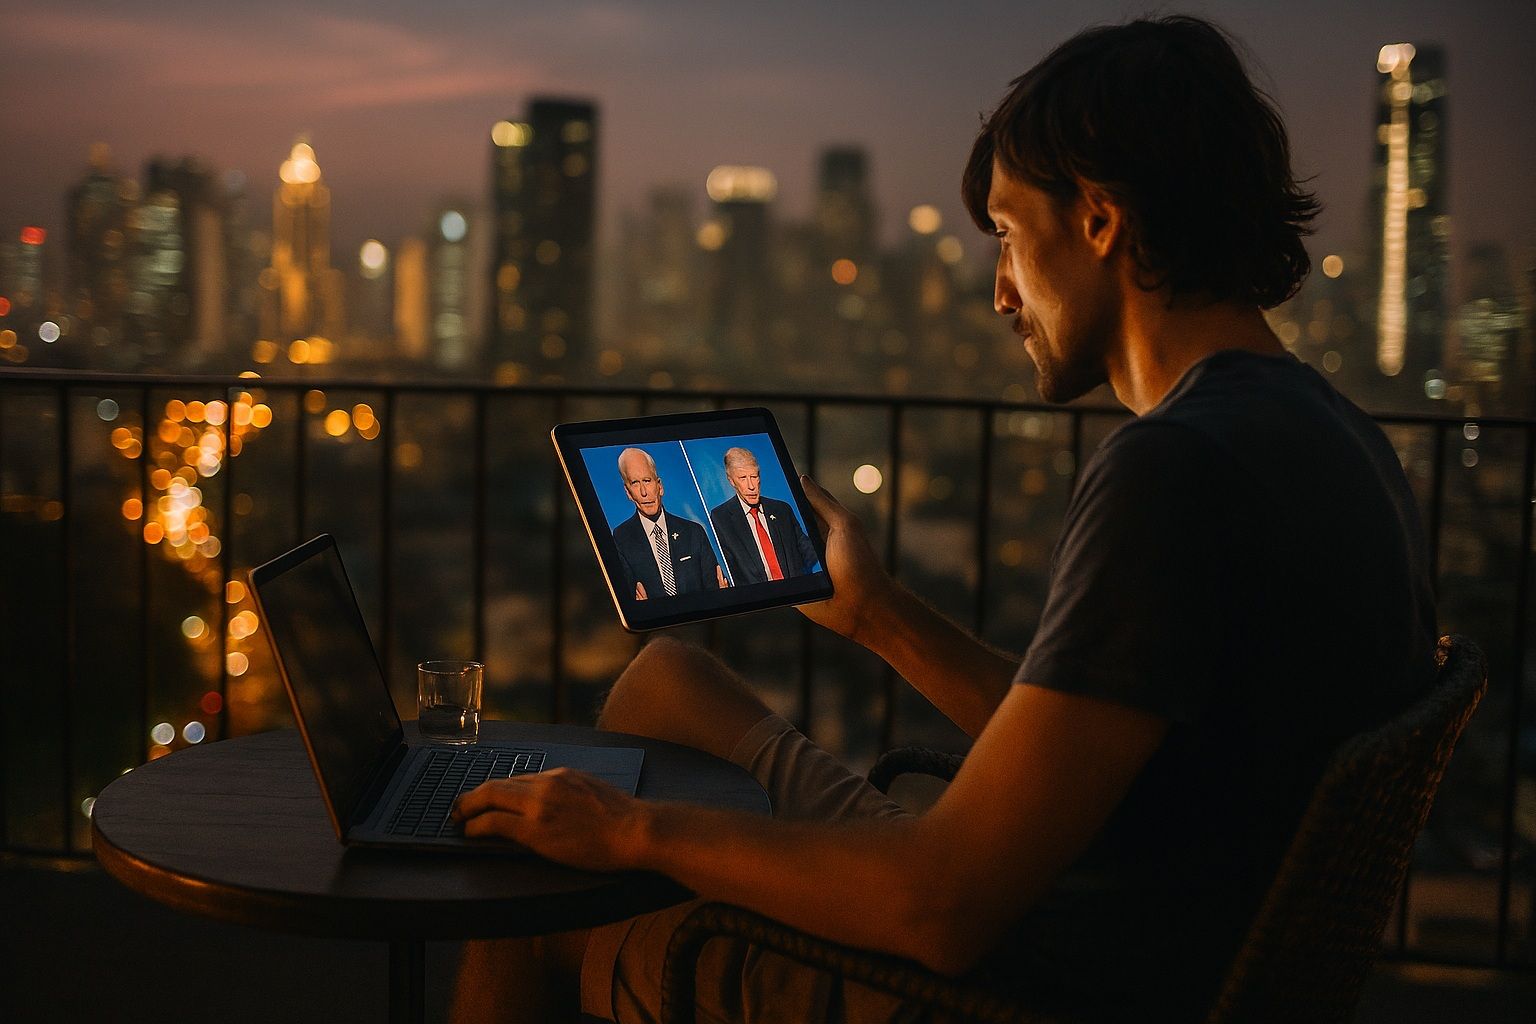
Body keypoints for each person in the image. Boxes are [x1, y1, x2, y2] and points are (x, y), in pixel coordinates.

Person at [451, 15, 1436, 1023]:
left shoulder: (1173, 468)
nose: (1001, 292)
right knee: (669, 679)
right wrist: (875, 613)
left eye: (1008, 233)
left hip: (1022, 979)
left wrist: (631, 832)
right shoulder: (1333, 434)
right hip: (1095, 904)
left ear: (1100, 220)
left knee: (532, 898)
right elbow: (1098, 748)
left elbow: (940, 908)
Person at [611, 447, 727, 600]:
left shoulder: (693, 532)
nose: (644, 492)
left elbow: (716, 593)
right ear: (628, 492)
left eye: (647, 480)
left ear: (660, 486)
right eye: (635, 483)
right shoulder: (621, 538)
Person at [707, 446, 821, 584]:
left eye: (754, 477)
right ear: (731, 481)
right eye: (743, 478)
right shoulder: (721, 518)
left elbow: (809, 550)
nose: (751, 486)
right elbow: (728, 567)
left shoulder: (782, 509)